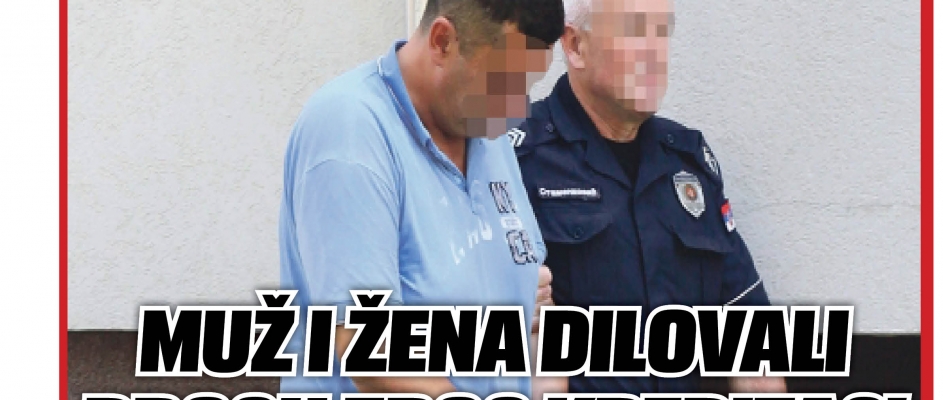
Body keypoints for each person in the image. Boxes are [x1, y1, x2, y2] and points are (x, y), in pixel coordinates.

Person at [278, 0, 567, 397]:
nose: (517, 108)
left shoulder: (487, 130)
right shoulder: (350, 132)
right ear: (442, 41)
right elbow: (372, 352)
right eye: (504, 81)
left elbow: (535, 311)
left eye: (527, 85)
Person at [511, 0, 787, 394]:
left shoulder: (688, 162)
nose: (655, 51)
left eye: (662, 32)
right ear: (575, 46)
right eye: (635, 30)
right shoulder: (516, 161)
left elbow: (751, 341)